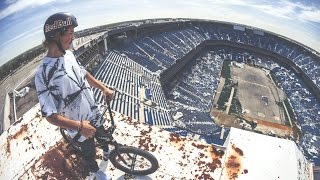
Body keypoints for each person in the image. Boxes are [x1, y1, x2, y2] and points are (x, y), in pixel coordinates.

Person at [35, 12, 113, 180]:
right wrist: (79, 126)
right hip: (78, 126)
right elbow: (50, 115)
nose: (73, 36)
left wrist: (103, 88)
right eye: (70, 33)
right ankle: (95, 171)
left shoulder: (68, 55)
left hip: (94, 112)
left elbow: (83, 74)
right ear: (56, 36)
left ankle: (106, 150)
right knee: (89, 152)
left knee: (103, 134)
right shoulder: (43, 73)